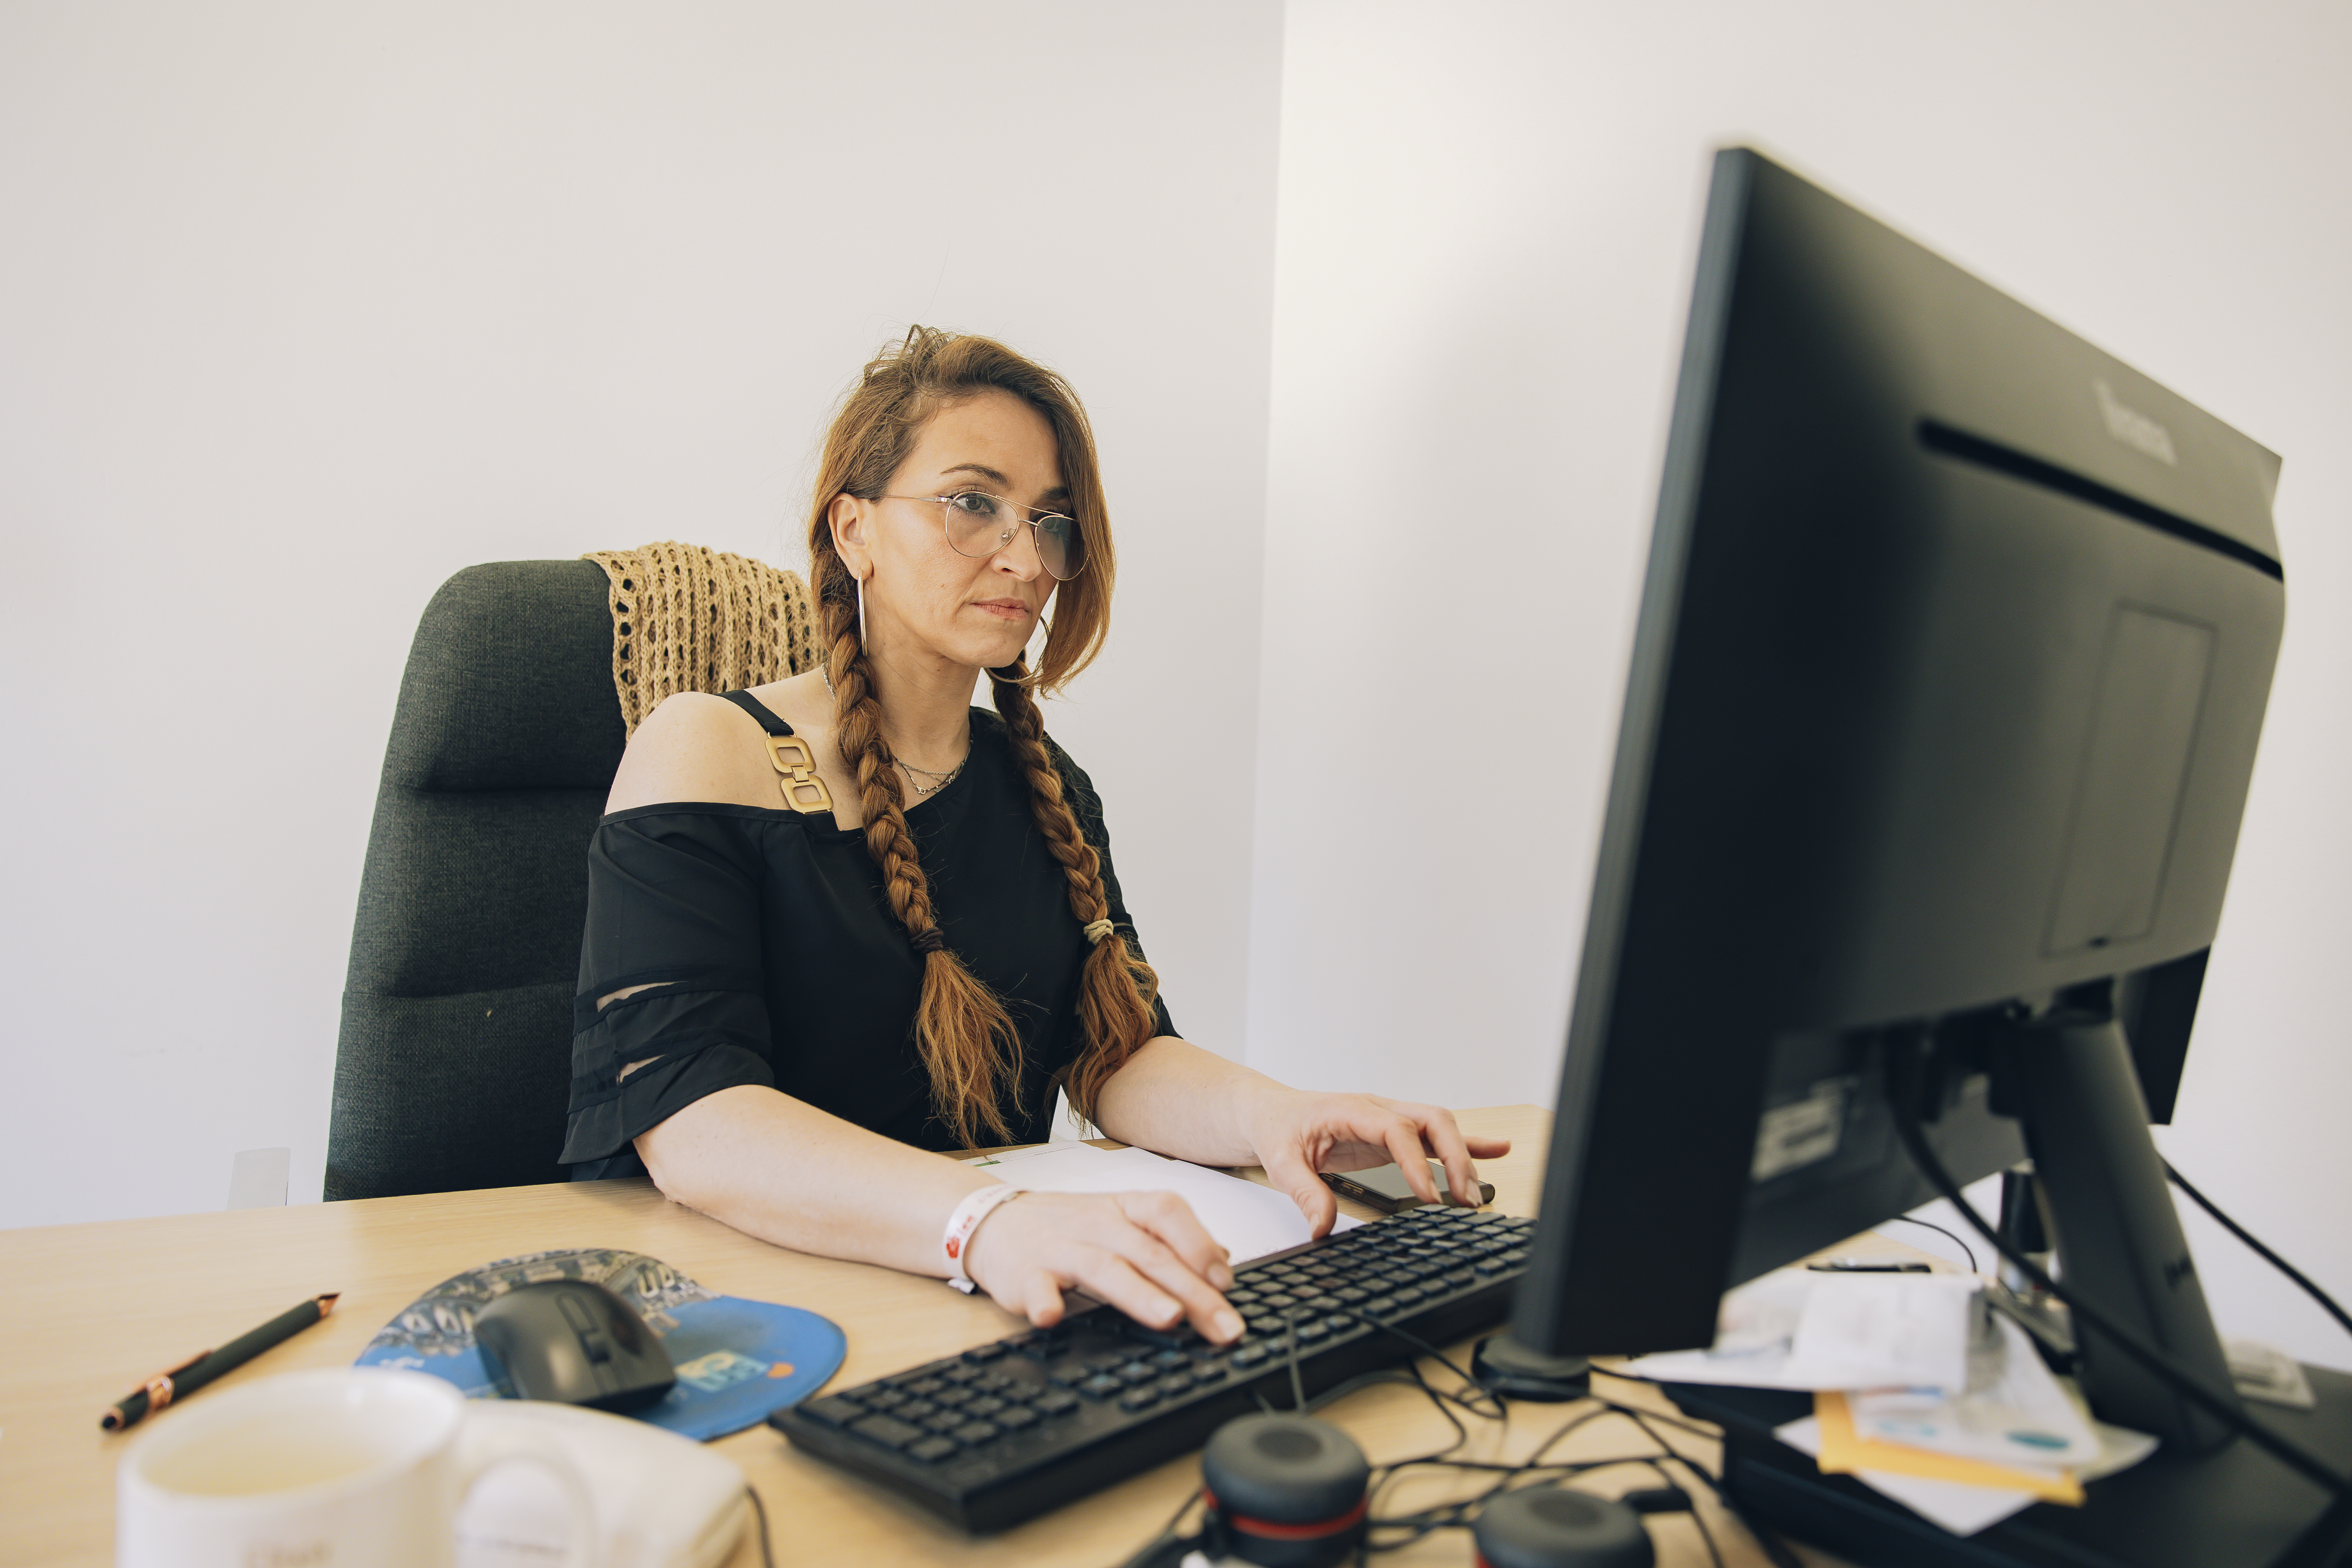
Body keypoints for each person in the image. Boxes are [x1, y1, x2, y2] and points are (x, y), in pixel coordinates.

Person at [560, 327, 1506, 1345]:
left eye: (1049, 521)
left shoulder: (1048, 787)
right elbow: (696, 1124)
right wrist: (986, 1224)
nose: (1022, 555)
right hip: (723, 1301)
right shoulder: (706, 747)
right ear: (853, 530)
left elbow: (1118, 1059)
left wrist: (1278, 1116)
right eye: (973, 503)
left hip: (965, 1292)